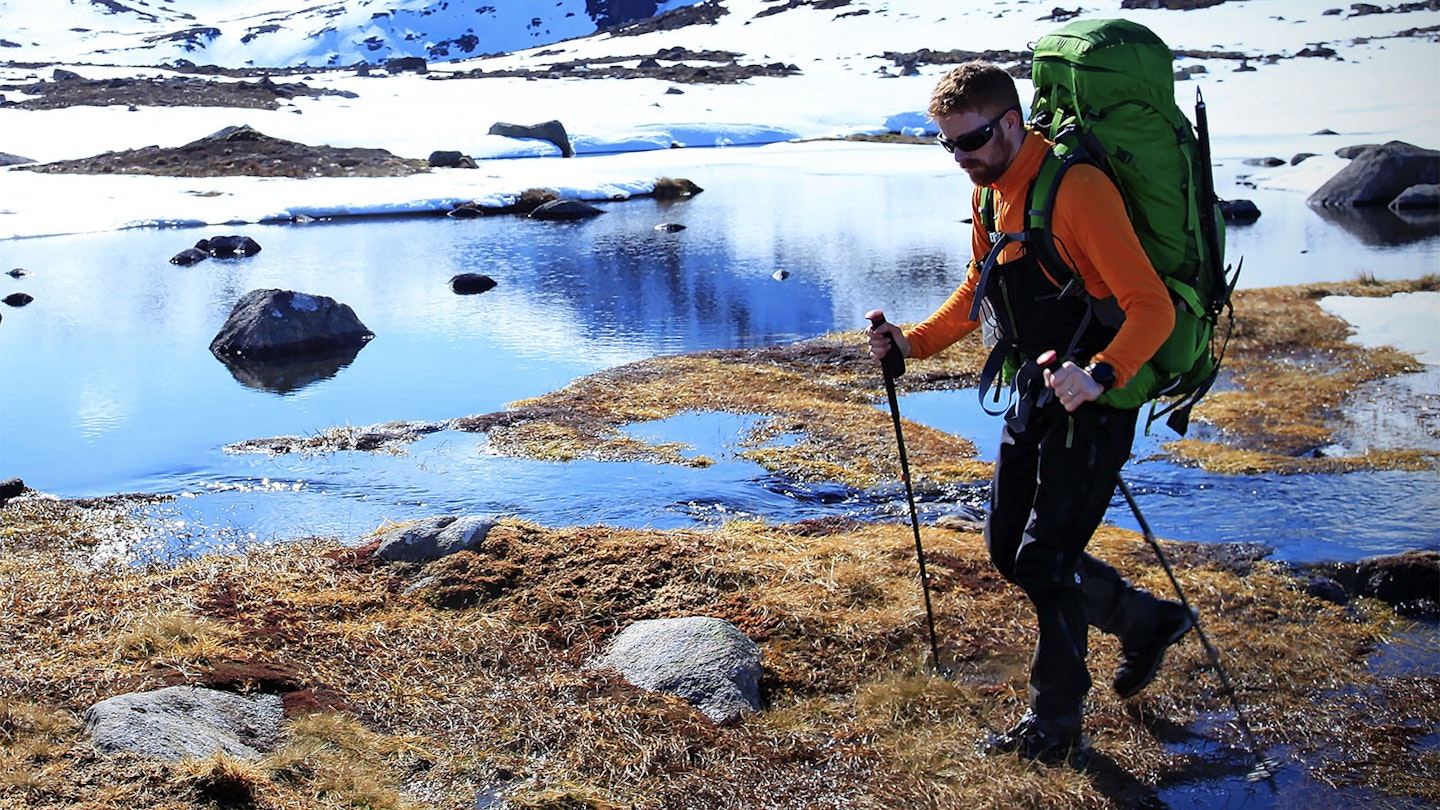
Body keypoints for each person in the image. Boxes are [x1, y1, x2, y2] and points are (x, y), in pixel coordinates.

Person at [865, 62, 1195, 762]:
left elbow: (1151, 307)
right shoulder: (991, 195)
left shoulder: (1075, 189)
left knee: (1046, 560)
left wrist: (1103, 374)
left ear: (1011, 122)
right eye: (949, 145)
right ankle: (1147, 621)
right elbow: (976, 290)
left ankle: (1054, 723)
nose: (963, 157)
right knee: (1008, 551)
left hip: (1097, 397)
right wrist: (911, 343)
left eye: (974, 140)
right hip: (1037, 387)